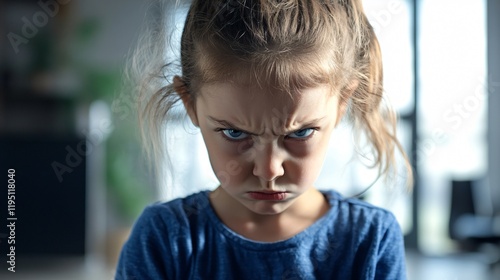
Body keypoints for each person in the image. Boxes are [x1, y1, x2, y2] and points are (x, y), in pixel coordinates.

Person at [115, 0, 413, 279]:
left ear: (342, 104)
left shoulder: (369, 240)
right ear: (190, 104)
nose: (269, 170)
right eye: (235, 133)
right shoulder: (164, 240)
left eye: (299, 133)